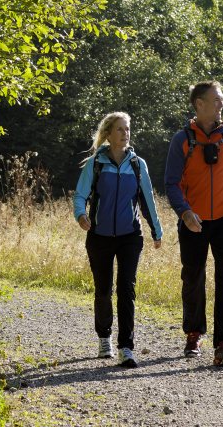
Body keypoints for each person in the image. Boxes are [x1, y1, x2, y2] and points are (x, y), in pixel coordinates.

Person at [164, 81, 223, 367]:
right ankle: (194, 332)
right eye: (216, 100)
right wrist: (185, 213)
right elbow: (171, 183)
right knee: (193, 276)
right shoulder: (182, 140)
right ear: (199, 104)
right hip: (193, 220)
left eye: (222, 99)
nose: (221, 104)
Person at [73, 112, 164, 368]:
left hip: (130, 237)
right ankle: (105, 338)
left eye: (128, 129)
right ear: (109, 134)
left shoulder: (137, 165)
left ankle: (127, 347)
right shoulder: (96, 164)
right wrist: (81, 215)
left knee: (127, 289)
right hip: (99, 236)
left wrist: (156, 231)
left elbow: (148, 200)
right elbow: (80, 196)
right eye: (120, 129)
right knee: (103, 290)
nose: (125, 133)